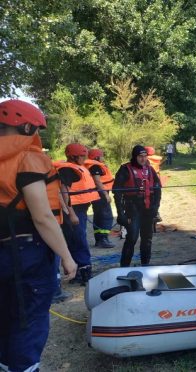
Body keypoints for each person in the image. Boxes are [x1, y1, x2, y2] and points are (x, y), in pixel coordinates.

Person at [0, 99, 77, 372]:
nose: (37, 136)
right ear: (27, 125)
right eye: (37, 130)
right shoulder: (29, 158)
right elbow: (42, 217)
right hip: (28, 253)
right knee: (28, 320)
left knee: (6, 318)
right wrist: (67, 256)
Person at [53, 143, 99, 284]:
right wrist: (71, 213)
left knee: (78, 239)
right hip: (74, 210)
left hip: (81, 209)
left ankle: (78, 271)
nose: (84, 158)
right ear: (73, 156)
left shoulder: (77, 168)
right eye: (82, 156)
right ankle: (82, 272)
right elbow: (64, 192)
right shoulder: (67, 170)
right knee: (78, 241)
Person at [113, 145, 162, 267]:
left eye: (145, 156)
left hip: (148, 208)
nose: (143, 159)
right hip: (132, 208)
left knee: (147, 239)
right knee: (132, 238)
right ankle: (124, 267)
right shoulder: (125, 169)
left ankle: (145, 264)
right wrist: (121, 214)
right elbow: (117, 192)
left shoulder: (150, 170)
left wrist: (155, 208)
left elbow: (157, 189)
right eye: (140, 156)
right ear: (135, 157)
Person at [85, 149, 115, 248]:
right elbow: (97, 181)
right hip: (100, 194)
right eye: (101, 156)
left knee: (99, 216)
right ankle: (103, 239)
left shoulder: (94, 165)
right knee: (106, 216)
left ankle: (100, 239)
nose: (103, 157)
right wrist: (105, 195)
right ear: (96, 157)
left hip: (98, 193)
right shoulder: (95, 166)